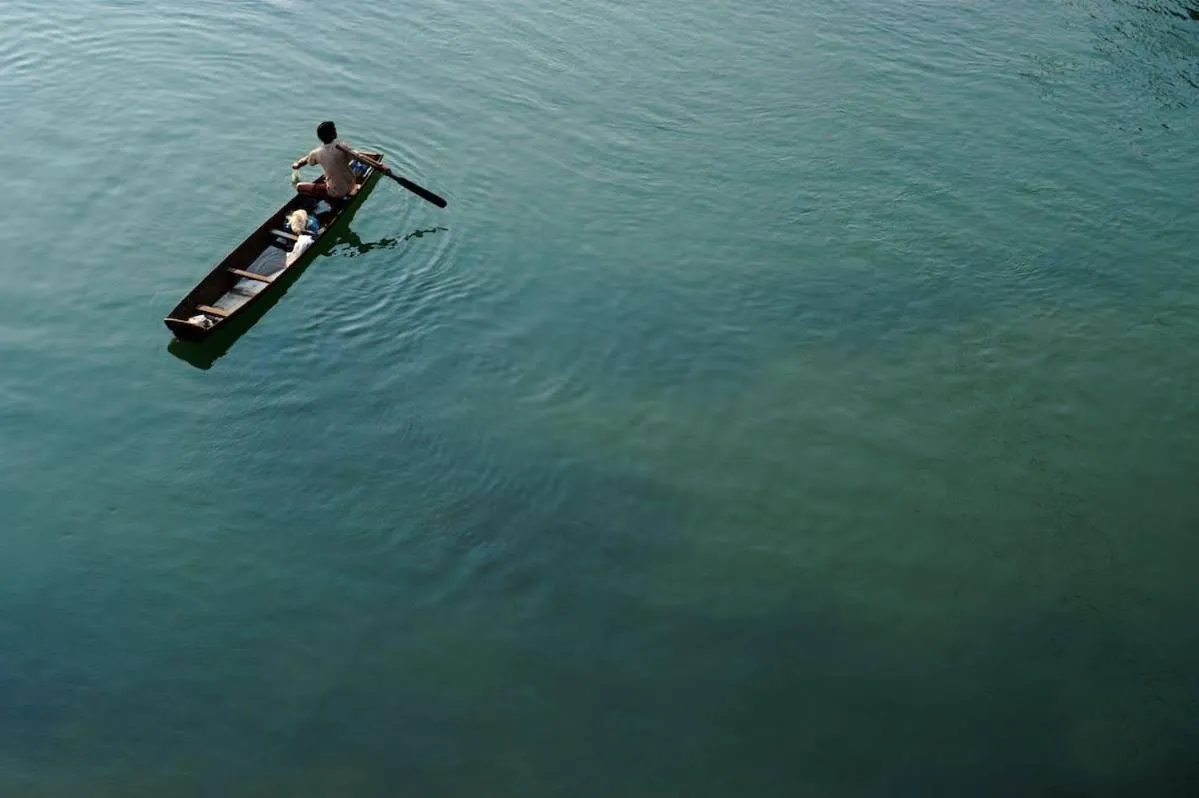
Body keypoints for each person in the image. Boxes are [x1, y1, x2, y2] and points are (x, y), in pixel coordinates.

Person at [291, 121, 358, 201]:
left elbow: (307, 160)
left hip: (337, 192)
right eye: (335, 130)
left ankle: (326, 198)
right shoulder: (343, 146)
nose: (336, 131)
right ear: (333, 134)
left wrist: (298, 164)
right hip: (352, 184)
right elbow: (355, 156)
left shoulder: (317, 152)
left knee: (299, 186)